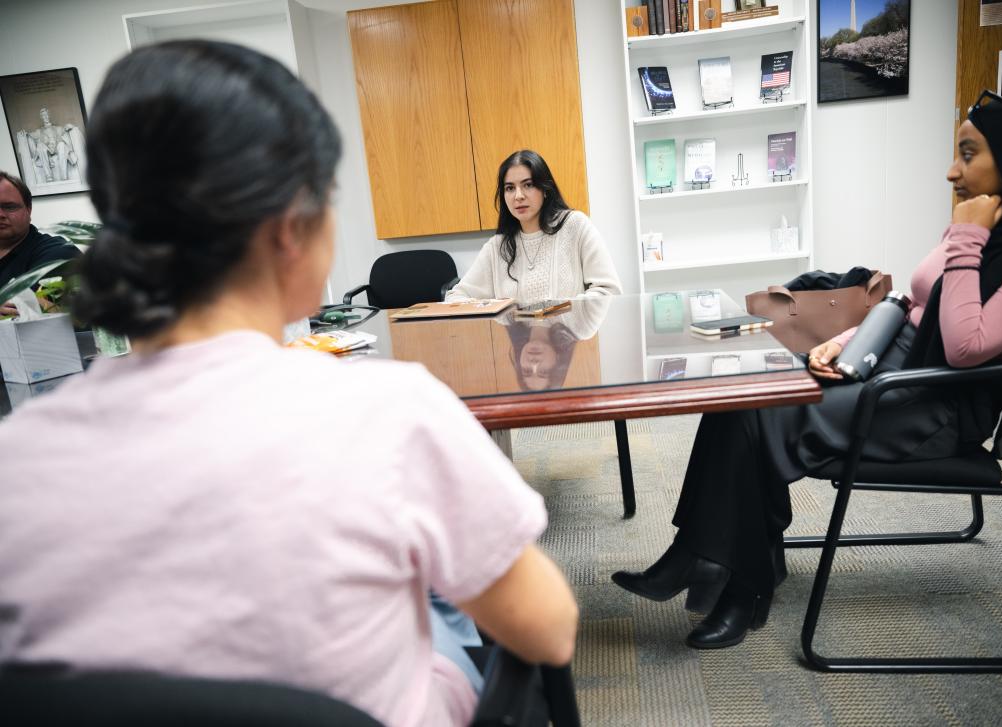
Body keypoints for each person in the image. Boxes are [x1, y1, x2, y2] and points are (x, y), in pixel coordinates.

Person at [0, 40, 577, 727]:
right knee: (432, 585)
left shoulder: (16, 459)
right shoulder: (391, 411)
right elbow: (548, 629)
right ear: (293, 227)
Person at [612, 87, 1002, 650]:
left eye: (968, 153)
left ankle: (728, 576)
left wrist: (968, 235)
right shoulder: (992, 219)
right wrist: (846, 339)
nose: (950, 171)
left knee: (755, 416)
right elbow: (914, 305)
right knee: (742, 391)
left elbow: (967, 346)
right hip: (887, 366)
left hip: (932, 404)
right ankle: (724, 569)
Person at [445, 149, 622, 304]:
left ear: (545, 189)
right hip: (515, 343)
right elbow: (456, 297)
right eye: (509, 188)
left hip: (570, 339)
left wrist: (566, 313)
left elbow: (609, 291)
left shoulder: (575, 226)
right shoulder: (497, 246)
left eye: (528, 185)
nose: (518, 196)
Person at [0, 170, 81, 315]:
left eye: (9, 207)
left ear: (28, 210)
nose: (0, 214)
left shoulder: (59, 254)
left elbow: (27, 312)